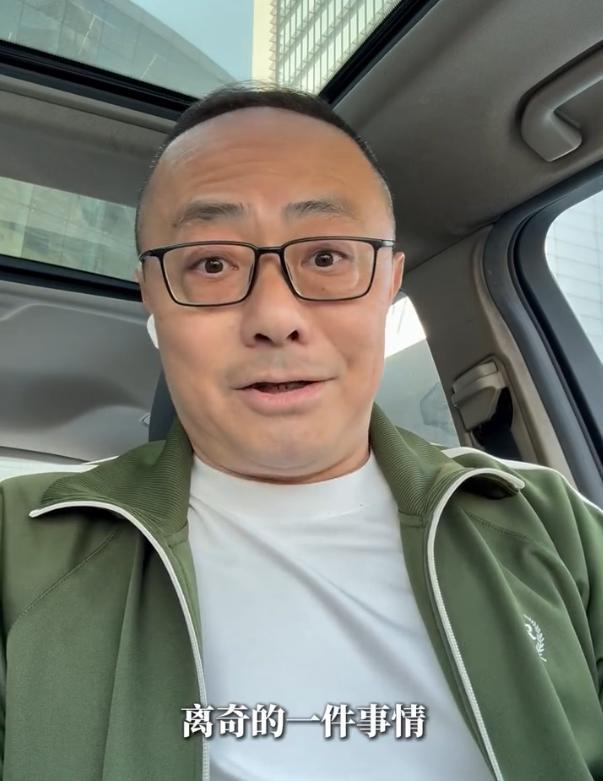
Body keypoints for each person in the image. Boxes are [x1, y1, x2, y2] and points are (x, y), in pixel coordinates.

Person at [1, 86, 602, 781]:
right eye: (211, 263)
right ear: (152, 298)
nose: (276, 317)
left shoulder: (550, 522)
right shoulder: (20, 546)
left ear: (389, 282)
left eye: (324, 257)